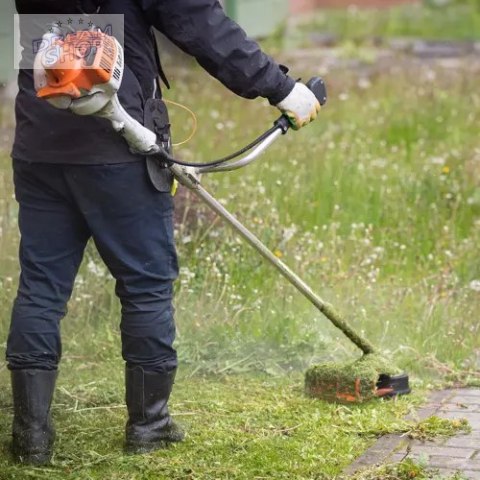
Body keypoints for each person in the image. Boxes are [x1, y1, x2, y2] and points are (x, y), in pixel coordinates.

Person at [8, 0, 321, 466]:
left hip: (41, 140)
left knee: (40, 289)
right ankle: (149, 426)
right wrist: (281, 89)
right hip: (119, 142)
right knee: (146, 286)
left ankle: (31, 436)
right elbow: (198, 22)